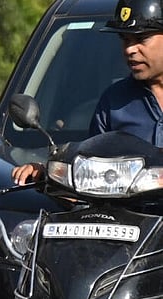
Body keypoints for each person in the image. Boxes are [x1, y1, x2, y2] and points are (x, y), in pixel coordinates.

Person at [13, 0, 163, 184]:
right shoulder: (113, 102)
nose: (130, 49)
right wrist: (46, 172)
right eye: (125, 39)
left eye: (141, 39)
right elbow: (91, 171)